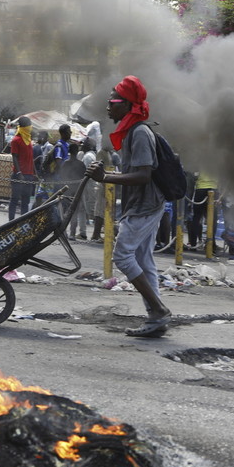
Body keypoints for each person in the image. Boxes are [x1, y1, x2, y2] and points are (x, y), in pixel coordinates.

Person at [85, 75, 171, 337]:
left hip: (146, 205)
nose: (108, 106)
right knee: (145, 262)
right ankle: (156, 318)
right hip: (141, 204)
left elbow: (144, 175)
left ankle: (157, 309)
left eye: (112, 101)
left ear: (127, 105)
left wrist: (106, 177)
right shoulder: (133, 131)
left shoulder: (141, 133)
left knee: (122, 256)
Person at [8, 116, 36, 221]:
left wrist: (34, 173)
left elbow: (30, 158)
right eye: (29, 124)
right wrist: (19, 172)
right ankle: (10, 222)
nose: (30, 127)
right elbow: (14, 156)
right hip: (19, 174)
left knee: (26, 200)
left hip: (29, 175)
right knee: (14, 199)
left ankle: (23, 222)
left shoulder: (28, 139)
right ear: (24, 126)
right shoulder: (16, 140)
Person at [188, 171, 218, 250]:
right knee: (212, 219)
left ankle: (193, 243)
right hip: (213, 188)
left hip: (200, 188)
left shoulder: (201, 159)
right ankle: (211, 245)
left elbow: (194, 173)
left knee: (197, 217)